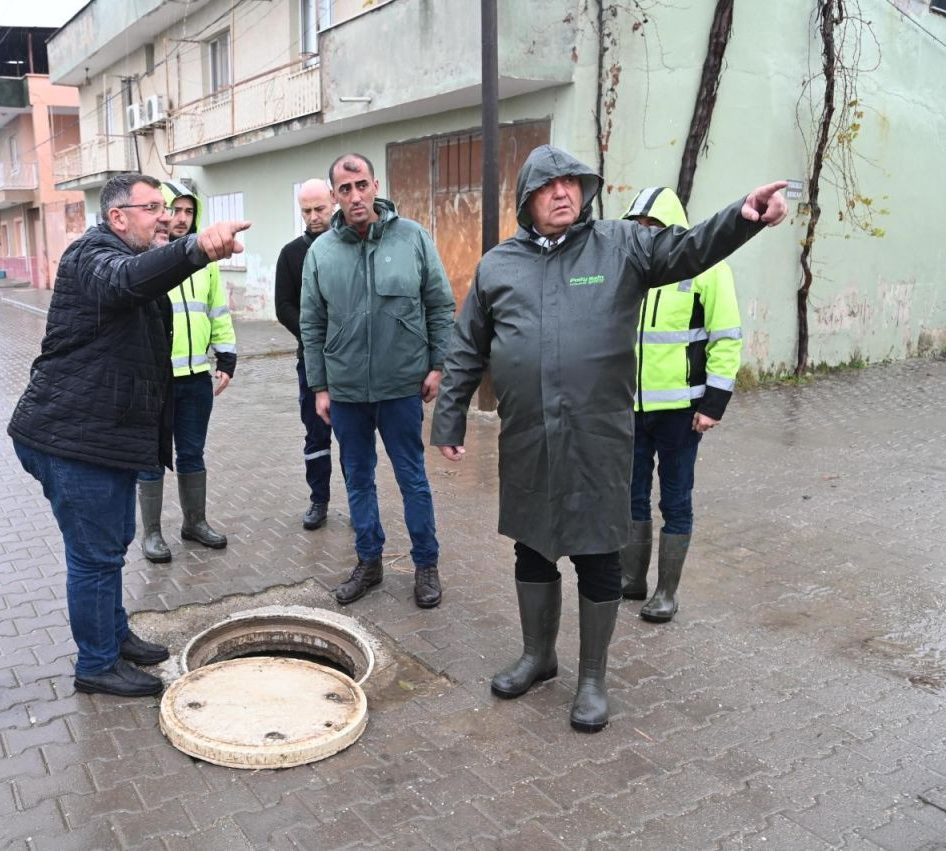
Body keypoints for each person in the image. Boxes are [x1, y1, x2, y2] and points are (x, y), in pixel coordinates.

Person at [431, 144, 785, 733]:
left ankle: (592, 678)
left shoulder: (621, 245)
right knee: (533, 547)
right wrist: (449, 419)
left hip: (599, 438)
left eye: (572, 182)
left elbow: (689, 249)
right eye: (549, 186)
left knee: (598, 555)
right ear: (528, 199)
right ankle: (538, 656)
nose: (563, 193)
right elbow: (468, 346)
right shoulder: (498, 265)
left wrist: (741, 216)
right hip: (528, 439)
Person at [9, 173, 249, 698]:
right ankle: (96, 664)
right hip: (71, 438)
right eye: (152, 208)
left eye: (167, 207)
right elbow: (125, 279)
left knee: (110, 547)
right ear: (117, 217)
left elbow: (141, 284)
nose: (165, 216)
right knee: (94, 556)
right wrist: (195, 248)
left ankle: (113, 637)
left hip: (103, 436)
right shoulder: (91, 257)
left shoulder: (128, 259)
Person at [300, 153, 456, 609]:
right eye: (344, 190)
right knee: (358, 479)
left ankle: (426, 564)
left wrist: (437, 365)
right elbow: (312, 323)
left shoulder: (413, 238)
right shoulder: (321, 253)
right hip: (347, 390)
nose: (355, 196)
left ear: (375, 186)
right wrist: (321, 386)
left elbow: (440, 305)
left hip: (401, 386)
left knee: (412, 477)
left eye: (361, 185)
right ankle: (369, 561)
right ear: (334, 196)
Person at [619, 187, 743, 623]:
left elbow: (726, 339)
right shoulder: (629, 267)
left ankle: (666, 593)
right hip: (630, 408)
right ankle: (631, 581)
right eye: (636, 225)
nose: (643, 232)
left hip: (682, 412)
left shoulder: (709, 268)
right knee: (630, 496)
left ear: (673, 228)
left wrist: (713, 404)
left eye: (651, 226)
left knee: (674, 500)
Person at [136, 181, 238, 564]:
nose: (181, 218)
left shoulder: (205, 261)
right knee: (150, 457)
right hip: (154, 380)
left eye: (188, 212)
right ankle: (151, 534)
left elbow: (217, 312)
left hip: (196, 377)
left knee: (192, 453)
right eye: (174, 210)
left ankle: (194, 523)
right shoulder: (146, 257)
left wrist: (226, 358)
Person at [275, 178, 337, 530]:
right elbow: (283, 307)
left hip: (352, 363)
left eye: (319, 209)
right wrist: (314, 335)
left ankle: (362, 502)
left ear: (333, 201)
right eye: (306, 211)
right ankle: (319, 500)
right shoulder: (291, 254)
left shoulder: (350, 246)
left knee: (355, 437)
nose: (313, 217)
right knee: (316, 434)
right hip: (312, 362)